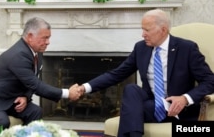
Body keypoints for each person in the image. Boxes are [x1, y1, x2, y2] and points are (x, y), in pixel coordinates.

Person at [78, 9, 214, 137]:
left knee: (130, 111)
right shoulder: (141, 48)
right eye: (142, 29)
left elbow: (210, 80)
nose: (143, 34)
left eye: (147, 30)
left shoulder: (187, 48)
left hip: (179, 110)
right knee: (131, 89)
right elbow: (117, 74)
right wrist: (85, 87)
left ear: (163, 30)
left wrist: (185, 98)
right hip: (152, 106)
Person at [0, 17, 82, 137]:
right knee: (1, 122)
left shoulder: (37, 51)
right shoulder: (18, 55)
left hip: (9, 98)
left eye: (49, 38)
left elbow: (29, 80)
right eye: (45, 38)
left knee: (35, 111)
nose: (48, 42)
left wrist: (25, 96)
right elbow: (35, 85)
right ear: (30, 36)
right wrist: (67, 93)